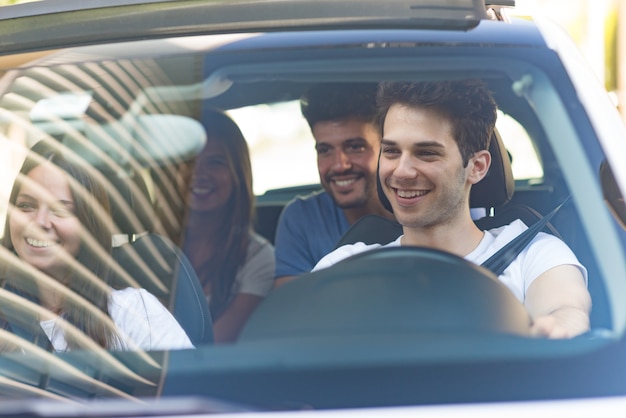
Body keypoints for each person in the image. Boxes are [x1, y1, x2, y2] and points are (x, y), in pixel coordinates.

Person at [313, 79, 591, 339]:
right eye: (391, 151)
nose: (402, 171)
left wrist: (556, 329)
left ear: (477, 167)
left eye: (426, 153)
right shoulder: (343, 267)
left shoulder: (532, 253)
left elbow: (566, 308)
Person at [0, 140, 194, 352]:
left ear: (90, 225)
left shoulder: (133, 312)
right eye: (26, 206)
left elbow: (191, 384)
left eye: (60, 210)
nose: (40, 222)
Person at [273, 83, 395, 286]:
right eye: (325, 150)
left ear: (387, 147)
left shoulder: (417, 212)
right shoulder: (302, 219)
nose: (339, 165)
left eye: (356, 147)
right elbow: (291, 309)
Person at [175, 109, 275, 343]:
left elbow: (214, 345)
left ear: (237, 173)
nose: (199, 173)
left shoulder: (258, 258)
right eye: (189, 162)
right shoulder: (154, 249)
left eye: (215, 163)